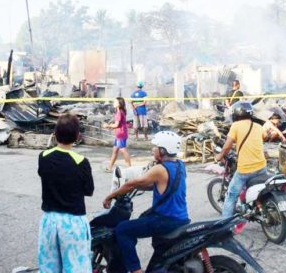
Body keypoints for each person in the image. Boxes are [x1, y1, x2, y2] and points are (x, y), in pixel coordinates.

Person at [104, 131, 189, 273]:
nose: (152, 150)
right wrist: (138, 187)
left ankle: (136, 270)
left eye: (155, 147)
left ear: (163, 150)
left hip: (165, 220)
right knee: (141, 220)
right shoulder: (180, 165)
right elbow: (161, 185)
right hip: (181, 218)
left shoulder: (160, 169)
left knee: (123, 230)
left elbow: (132, 183)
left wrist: (110, 196)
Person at [37, 114, 94, 273]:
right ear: (77, 136)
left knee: (48, 268)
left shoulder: (43, 157)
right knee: (76, 268)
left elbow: (43, 175)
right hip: (73, 223)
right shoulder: (81, 161)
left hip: (49, 221)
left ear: (55, 135)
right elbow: (89, 191)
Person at [214, 101, 267, 221]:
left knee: (231, 196)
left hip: (246, 170)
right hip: (262, 167)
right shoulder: (258, 126)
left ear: (236, 113)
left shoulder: (236, 126)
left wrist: (220, 155)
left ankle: (225, 226)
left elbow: (227, 146)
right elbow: (263, 138)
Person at [103, 97, 132, 172]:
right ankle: (109, 167)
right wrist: (110, 126)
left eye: (115, 102)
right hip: (119, 134)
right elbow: (118, 125)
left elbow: (116, 125)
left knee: (123, 150)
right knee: (115, 150)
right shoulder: (120, 111)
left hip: (121, 134)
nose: (113, 103)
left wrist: (108, 126)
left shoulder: (119, 112)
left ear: (119, 104)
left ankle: (130, 168)